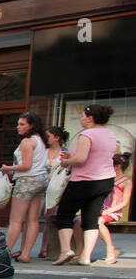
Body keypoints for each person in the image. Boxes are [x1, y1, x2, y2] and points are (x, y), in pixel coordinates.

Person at [53, 104, 119, 266]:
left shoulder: (87, 134)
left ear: (90, 118)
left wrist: (66, 161)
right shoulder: (110, 134)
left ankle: (66, 250)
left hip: (84, 181)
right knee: (91, 218)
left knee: (64, 215)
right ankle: (85, 256)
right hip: (105, 180)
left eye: (83, 116)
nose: (81, 119)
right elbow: (98, 155)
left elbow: (81, 159)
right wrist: (72, 155)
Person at [0, 112, 48, 265]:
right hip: (41, 180)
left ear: (31, 125)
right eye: (18, 124)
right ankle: (26, 253)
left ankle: (5, 252)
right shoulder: (41, 140)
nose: (18, 127)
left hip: (26, 180)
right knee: (33, 219)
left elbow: (26, 165)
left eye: (22, 124)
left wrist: (8, 168)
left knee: (15, 220)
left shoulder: (27, 141)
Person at [36, 126, 70, 258]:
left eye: (48, 136)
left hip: (56, 189)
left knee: (50, 218)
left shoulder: (64, 152)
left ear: (57, 138)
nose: (45, 138)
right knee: (37, 217)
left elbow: (67, 170)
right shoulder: (43, 151)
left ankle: (47, 247)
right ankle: (40, 247)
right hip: (42, 187)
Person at [94, 151, 131, 264]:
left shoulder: (126, 182)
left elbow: (125, 202)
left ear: (118, 166)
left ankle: (110, 249)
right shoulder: (107, 178)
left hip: (113, 211)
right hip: (100, 209)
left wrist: (109, 210)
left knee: (98, 221)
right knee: (80, 220)